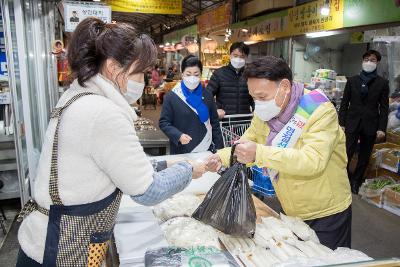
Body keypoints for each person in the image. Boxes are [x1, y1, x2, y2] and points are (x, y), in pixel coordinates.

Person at [16, 18, 205, 266]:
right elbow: (148, 191)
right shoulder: (102, 112)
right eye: (140, 72)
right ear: (115, 68)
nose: (143, 81)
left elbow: (117, 165)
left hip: (45, 240)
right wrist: (189, 169)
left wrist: (164, 166)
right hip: (61, 250)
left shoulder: (79, 96)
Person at [206, 56, 352, 250]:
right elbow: (249, 141)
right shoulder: (265, 112)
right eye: (254, 98)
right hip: (290, 208)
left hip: (325, 212)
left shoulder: (319, 110)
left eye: (262, 97)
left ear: (284, 87)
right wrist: (221, 157)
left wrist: (259, 154)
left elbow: (312, 161)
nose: (258, 104)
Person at [339, 50, 389, 194]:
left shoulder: (382, 83)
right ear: (362, 61)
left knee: (364, 155)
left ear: (377, 63)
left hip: (371, 123)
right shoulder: (352, 80)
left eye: (372, 60)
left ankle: (356, 181)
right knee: (346, 152)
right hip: (352, 122)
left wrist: (382, 128)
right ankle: (345, 178)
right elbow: (344, 103)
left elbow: (384, 108)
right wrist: (341, 122)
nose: (369, 62)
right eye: (366, 59)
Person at [159, 55, 224, 154]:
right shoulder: (172, 96)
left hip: (205, 149)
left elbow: (214, 123)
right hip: (182, 150)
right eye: (188, 74)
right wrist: (178, 135)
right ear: (182, 74)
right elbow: (164, 122)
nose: (192, 78)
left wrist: (220, 150)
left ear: (201, 75)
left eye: (196, 74)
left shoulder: (207, 95)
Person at [207, 42, 254, 118]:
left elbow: (254, 98)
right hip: (225, 120)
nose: (238, 59)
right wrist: (215, 109)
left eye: (242, 56)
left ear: (246, 57)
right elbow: (207, 95)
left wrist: (256, 110)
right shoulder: (219, 74)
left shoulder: (250, 75)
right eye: (235, 55)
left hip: (245, 120)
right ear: (230, 55)